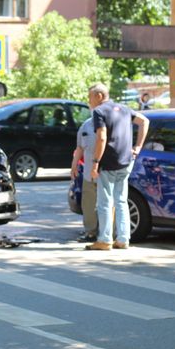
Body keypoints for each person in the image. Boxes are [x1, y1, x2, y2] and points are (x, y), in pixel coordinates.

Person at [86, 83, 149, 251]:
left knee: (104, 202)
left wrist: (95, 162)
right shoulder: (124, 109)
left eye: (90, 97)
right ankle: (123, 238)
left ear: (99, 96)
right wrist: (137, 147)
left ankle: (105, 239)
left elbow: (102, 137)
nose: (89, 101)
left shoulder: (99, 112)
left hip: (108, 162)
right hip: (126, 161)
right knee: (121, 200)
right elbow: (145, 121)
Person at [71, 116, 98, 243]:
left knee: (108, 203)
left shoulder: (112, 122)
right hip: (88, 172)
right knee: (88, 203)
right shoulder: (86, 124)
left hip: (106, 171)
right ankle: (91, 232)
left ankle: (109, 234)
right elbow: (79, 148)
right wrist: (74, 165)